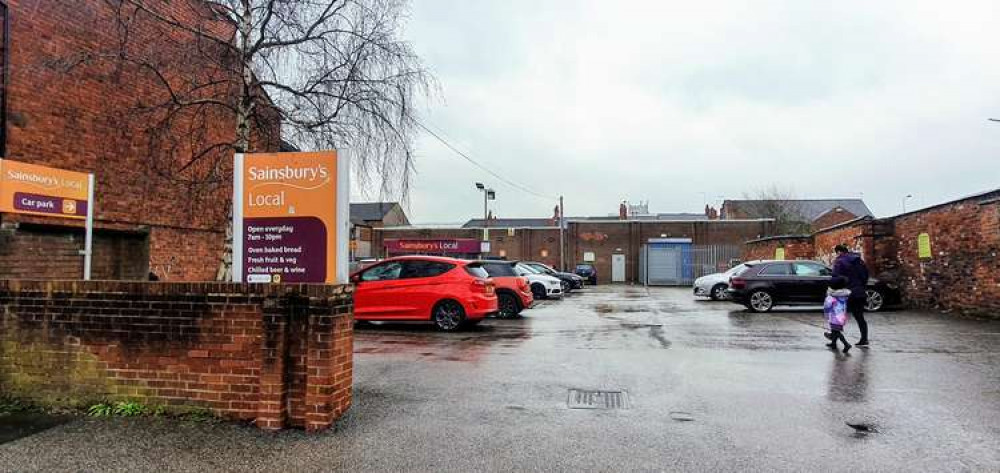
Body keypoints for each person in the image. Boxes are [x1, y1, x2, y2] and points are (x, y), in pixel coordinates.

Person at [832, 244, 870, 347]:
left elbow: (836, 278)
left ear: (839, 251)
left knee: (837, 315)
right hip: (859, 292)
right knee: (859, 316)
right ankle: (864, 338)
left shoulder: (840, 261)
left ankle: (834, 340)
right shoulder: (859, 261)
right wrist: (861, 286)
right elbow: (865, 275)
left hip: (845, 292)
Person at [823, 277, 852, 353]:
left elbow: (827, 306)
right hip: (842, 316)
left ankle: (846, 344)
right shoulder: (844, 294)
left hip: (834, 317)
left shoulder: (831, 296)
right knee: (835, 330)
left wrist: (826, 315)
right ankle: (833, 343)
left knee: (836, 332)